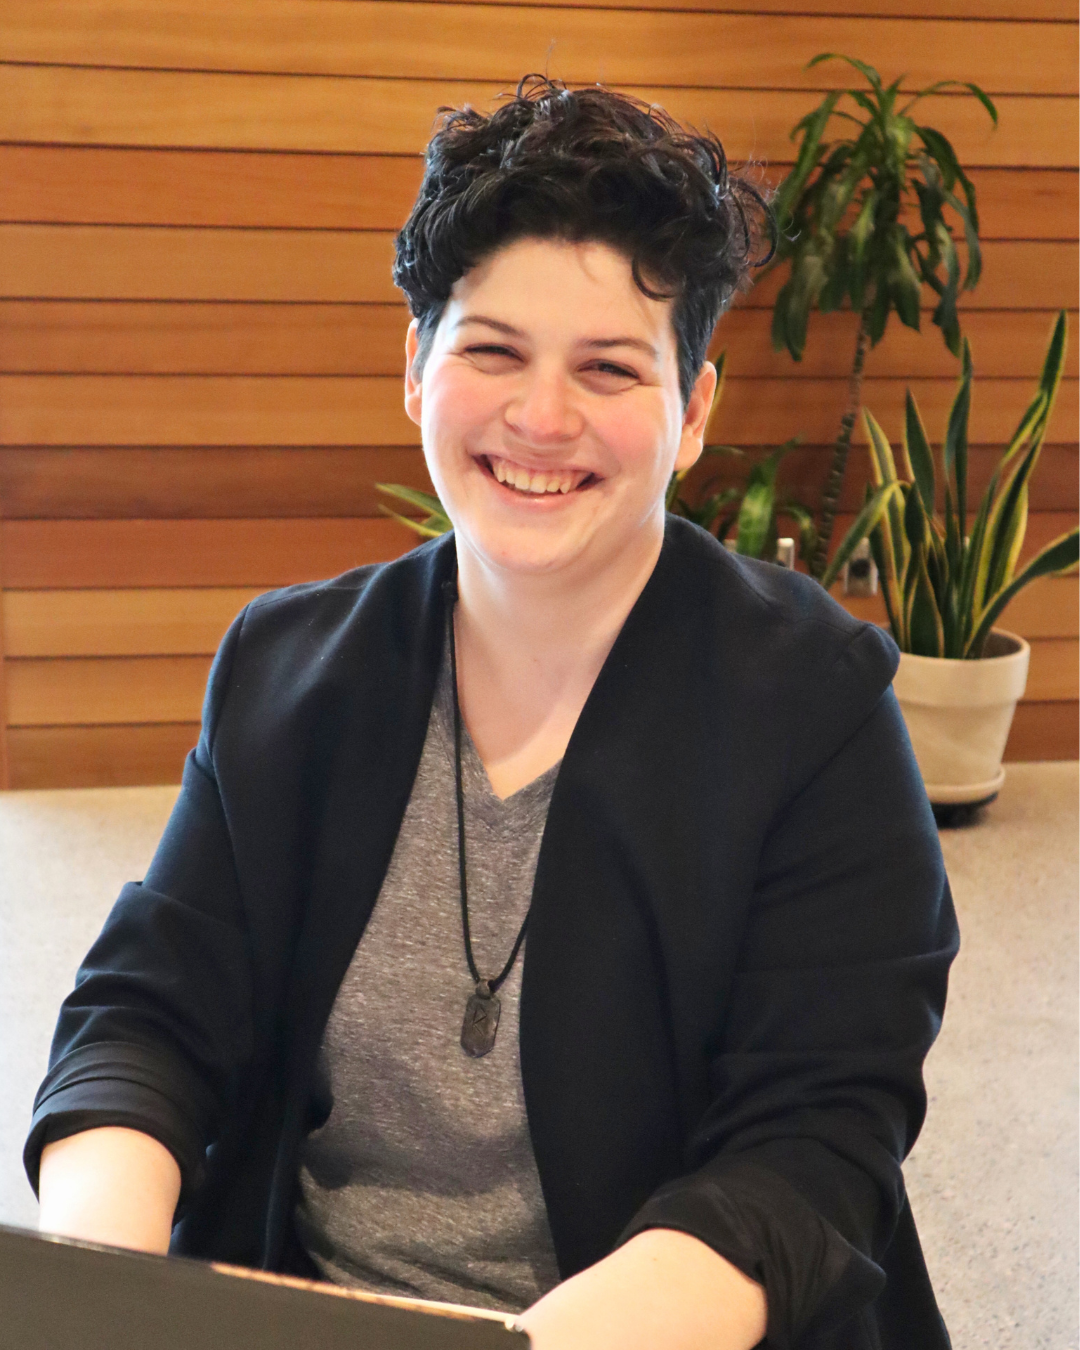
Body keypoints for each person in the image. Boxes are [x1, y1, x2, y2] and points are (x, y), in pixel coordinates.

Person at [25, 77, 957, 1350]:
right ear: (415, 369)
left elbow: (814, 1143)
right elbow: (148, 1014)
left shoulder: (817, 707)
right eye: (492, 351)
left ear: (693, 414)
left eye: (610, 368)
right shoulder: (290, 669)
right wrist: (96, 1286)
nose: (540, 417)